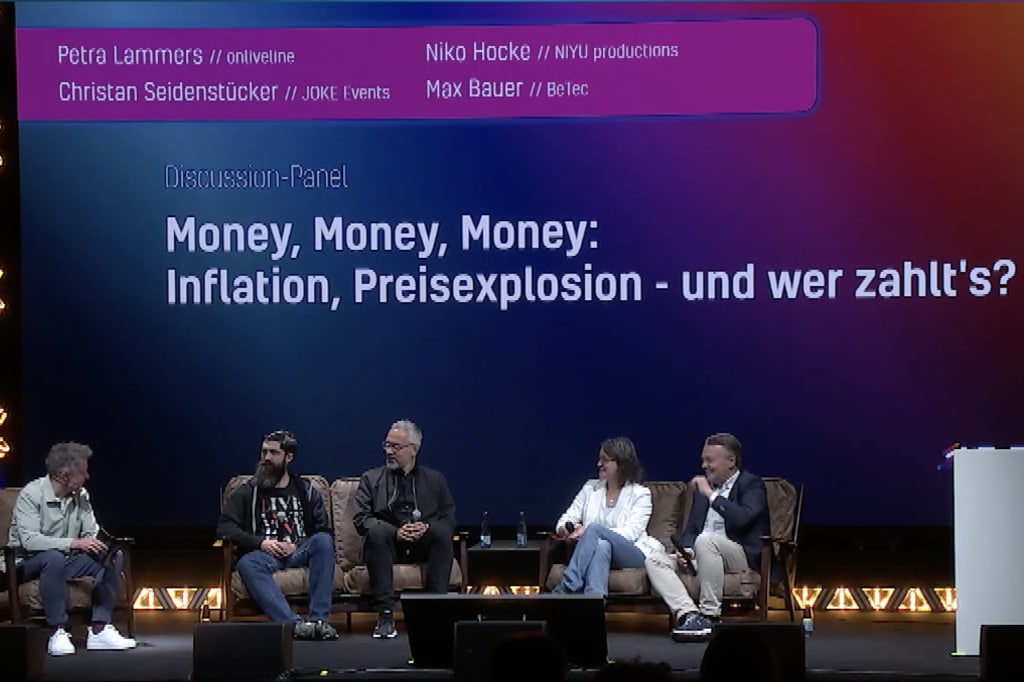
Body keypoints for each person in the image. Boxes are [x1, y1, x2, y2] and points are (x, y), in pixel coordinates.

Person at [5, 442, 136, 656]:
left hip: (64, 560)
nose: (87, 477)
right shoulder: (32, 495)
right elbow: (30, 541)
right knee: (53, 557)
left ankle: (100, 629)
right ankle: (57, 630)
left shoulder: (81, 496)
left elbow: (90, 532)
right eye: (83, 472)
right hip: (25, 563)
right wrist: (74, 543)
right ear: (65, 476)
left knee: (112, 557)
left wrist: (99, 544)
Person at [644, 432, 770, 640]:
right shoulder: (703, 492)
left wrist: (712, 496)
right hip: (704, 553)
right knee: (655, 560)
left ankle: (710, 614)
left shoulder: (751, 485)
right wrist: (687, 550)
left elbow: (742, 518)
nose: (704, 465)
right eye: (703, 460)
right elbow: (692, 530)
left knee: (706, 540)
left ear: (731, 461)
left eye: (709, 460)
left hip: (739, 556)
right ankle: (690, 615)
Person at [217, 430, 338, 640]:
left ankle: (319, 621)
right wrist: (261, 543)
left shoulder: (306, 491)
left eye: (273, 453)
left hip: (299, 551)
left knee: (324, 541)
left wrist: (297, 544)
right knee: (247, 564)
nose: (266, 458)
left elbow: (323, 529)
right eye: (264, 452)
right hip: (265, 555)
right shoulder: (249, 491)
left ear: (288, 457)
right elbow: (225, 527)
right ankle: (294, 626)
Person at [353, 419, 456, 639]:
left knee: (442, 534)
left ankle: (434, 611)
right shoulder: (371, 479)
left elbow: (449, 518)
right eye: (386, 445)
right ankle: (385, 616)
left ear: (414, 449)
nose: (389, 451)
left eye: (396, 447)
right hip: (387, 547)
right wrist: (395, 532)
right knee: (376, 532)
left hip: (422, 545)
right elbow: (361, 519)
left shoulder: (435, 480)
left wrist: (427, 527)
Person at [549, 437, 662, 595]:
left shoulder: (640, 494)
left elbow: (631, 533)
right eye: (599, 459)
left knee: (595, 530)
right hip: (599, 551)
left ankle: (568, 584)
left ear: (621, 463)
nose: (599, 464)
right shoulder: (590, 488)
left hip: (632, 554)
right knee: (602, 545)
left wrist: (590, 532)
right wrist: (567, 530)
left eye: (605, 460)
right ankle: (595, 601)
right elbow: (565, 519)